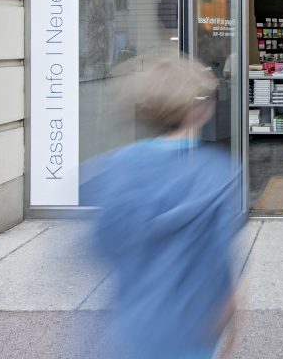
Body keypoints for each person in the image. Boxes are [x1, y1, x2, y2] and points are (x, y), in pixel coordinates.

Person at [81, 54, 244, 359]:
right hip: (189, 332)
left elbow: (101, 244)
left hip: (130, 329)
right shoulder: (218, 173)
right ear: (205, 111)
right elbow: (219, 264)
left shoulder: (119, 165)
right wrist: (228, 318)